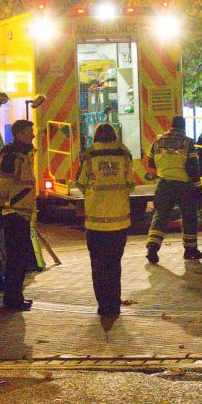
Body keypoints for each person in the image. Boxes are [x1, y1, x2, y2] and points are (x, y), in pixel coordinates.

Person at [75, 123, 135, 316]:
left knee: (98, 264)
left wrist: (93, 195)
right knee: (114, 264)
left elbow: (80, 182)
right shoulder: (124, 154)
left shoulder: (90, 155)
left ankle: (103, 306)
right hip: (119, 220)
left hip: (95, 222)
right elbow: (130, 184)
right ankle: (114, 305)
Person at [146, 115, 202, 264]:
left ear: (171, 125)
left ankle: (152, 247)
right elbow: (192, 167)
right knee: (189, 216)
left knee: (160, 215)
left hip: (163, 184)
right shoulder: (188, 142)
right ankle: (190, 250)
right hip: (183, 185)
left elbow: (151, 163)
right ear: (183, 127)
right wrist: (197, 186)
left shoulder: (157, 141)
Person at [0, 119, 38, 311]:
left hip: (21, 212)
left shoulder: (23, 154)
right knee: (16, 260)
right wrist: (5, 204)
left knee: (20, 259)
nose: (33, 135)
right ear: (20, 133)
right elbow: (3, 184)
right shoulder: (13, 157)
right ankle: (12, 300)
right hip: (14, 213)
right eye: (30, 131)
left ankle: (16, 297)